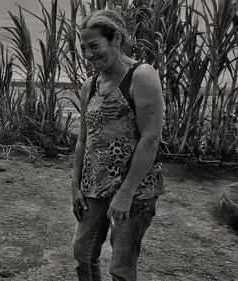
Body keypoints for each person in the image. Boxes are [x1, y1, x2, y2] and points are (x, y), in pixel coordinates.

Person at [71, 9, 165, 281]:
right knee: (83, 255)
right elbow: (83, 139)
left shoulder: (141, 75)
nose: (88, 55)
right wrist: (75, 186)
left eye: (94, 46)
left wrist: (126, 193)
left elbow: (151, 137)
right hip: (94, 186)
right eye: (83, 48)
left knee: (121, 268)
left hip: (134, 189)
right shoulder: (90, 85)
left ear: (116, 39)